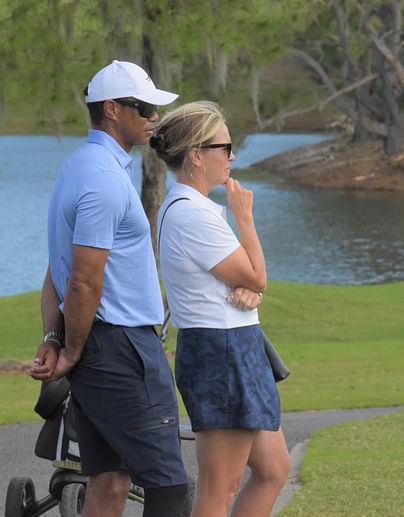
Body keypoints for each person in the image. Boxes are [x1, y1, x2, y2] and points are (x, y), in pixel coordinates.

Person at [29, 60, 189, 517]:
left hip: (99, 347)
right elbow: (81, 280)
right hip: (119, 348)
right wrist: (72, 351)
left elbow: (55, 270)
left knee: (109, 480)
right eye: (144, 107)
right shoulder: (104, 181)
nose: (154, 117)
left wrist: (55, 337)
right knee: (169, 485)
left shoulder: (78, 167)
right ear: (113, 109)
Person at [150, 101, 291, 517]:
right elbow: (256, 276)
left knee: (273, 468)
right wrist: (244, 218)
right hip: (221, 352)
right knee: (220, 488)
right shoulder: (193, 215)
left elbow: (249, 282)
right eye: (224, 147)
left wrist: (252, 288)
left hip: (236, 345)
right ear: (196, 154)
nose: (232, 156)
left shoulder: (193, 210)